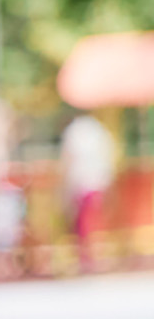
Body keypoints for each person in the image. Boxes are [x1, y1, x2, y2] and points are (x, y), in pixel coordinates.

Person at [59, 112, 116, 272]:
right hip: (95, 182)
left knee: (85, 223)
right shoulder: (99, 131)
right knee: (92, 221)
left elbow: (69, 159)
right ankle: (92, 257)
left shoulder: (76, 131)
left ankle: (88, 258)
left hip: (82, 183)